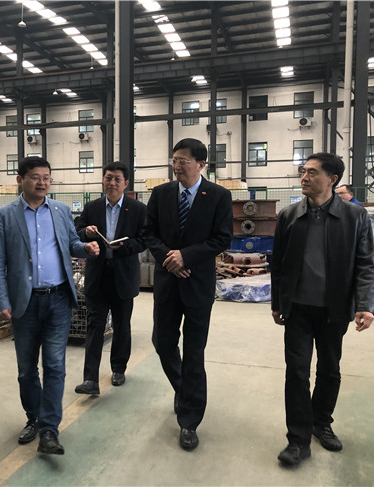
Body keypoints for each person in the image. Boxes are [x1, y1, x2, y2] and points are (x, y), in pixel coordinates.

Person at [271, 153, 374, 467]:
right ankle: (297, 440)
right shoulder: (289, 215)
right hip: (298, 309)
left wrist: (365, 304)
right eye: (303, 171)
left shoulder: (354, 216)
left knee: (329, 370)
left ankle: (321, 422)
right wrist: (277, 303)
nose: (304, 177)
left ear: (332, 179)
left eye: (312, 172)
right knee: (297, 372)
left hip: (334, 308)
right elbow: (278, 265)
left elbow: (366, 264)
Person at [0, 156, 100, 456]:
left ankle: (49, 430)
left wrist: (86, 248)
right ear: (20, 180)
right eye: (36, 177)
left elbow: (71, 244)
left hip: (58, 299)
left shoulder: (61, 211)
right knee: (26, 370)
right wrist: (2, 300)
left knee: (55, 366)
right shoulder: (4, 216)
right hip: (24, 303)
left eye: (47, 177)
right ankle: (34, 417)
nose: (42, 182)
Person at [144, 138, 233, 451]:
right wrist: (170, 258)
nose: (176, 166)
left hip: (197, 284)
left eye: (182, 161)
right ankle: (185, 391)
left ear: (200, 164)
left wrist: (187, 257)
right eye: (174, 160)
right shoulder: (161, 194)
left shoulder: (218, 196)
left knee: (194, 352)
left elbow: (222, 238)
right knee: (163, 342)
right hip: (168, 282)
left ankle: (189, 421)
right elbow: (148, 233)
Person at [74, 162, 147, 395]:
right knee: (94, 325)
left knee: (122, 325)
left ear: (126, 183)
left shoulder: (137, 209)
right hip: (98, 274)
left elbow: (144, 239)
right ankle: (90, 379)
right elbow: (78, 231)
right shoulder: (92, 207)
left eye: (117, 179)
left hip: (123, 274)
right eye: (108, 178)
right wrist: (86, 233)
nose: (112, 183)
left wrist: (124, 246)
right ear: (103, 181)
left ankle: (118, 368)